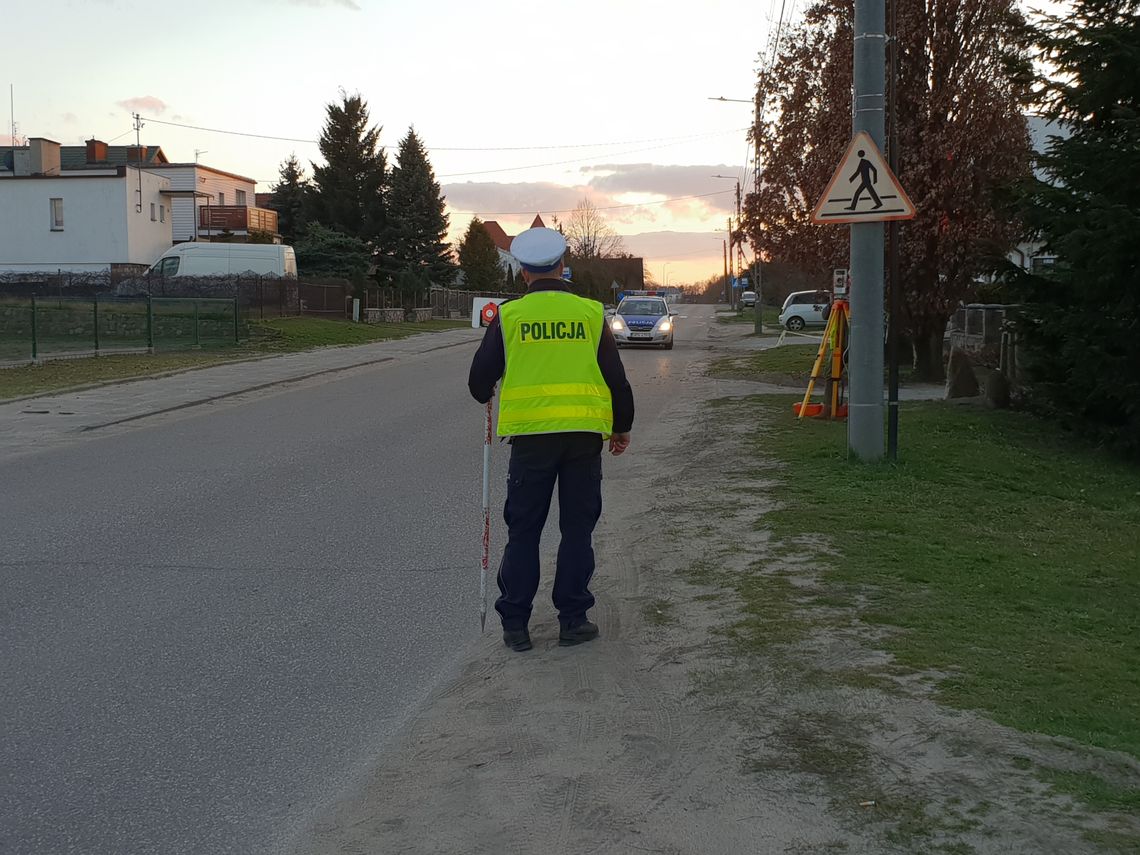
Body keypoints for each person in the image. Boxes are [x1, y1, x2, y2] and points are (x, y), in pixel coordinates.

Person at [468, 227, 635, 653]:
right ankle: (573, 620)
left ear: (523, 273)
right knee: (577, 531)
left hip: (531, 442)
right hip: (582, 440)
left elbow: (478, 382)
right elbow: (616, 379)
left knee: (524, 532)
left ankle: (516, 626)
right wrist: (621, 426)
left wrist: (489, 387)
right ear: (563, 267)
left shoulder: (510, 316)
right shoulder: (590, 314)